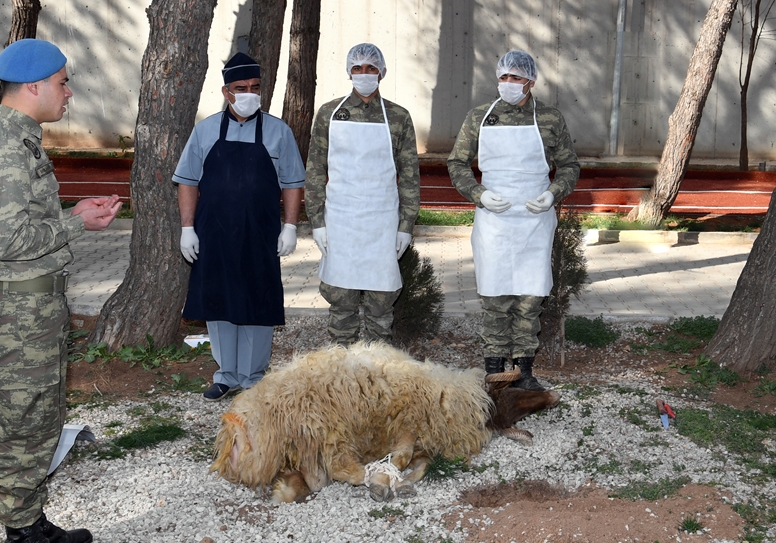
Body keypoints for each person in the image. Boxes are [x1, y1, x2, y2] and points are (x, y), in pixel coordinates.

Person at [0, 38, 122, 543]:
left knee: (42, 415)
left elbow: (28, 230)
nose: (68, 92)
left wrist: (79, 218)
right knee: (24, 421)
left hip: (36, 306)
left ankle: (30, 520)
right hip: (18, 312)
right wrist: (77, 220)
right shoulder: (2, 149)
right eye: (61, 82)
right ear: (32, 86)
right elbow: (9, 240)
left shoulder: (22, 142)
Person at [173, 52, 305, 400]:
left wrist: (289, 226)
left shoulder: (279, 131)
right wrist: (188, 228)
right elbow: (187, 181)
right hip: (214, 234)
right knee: (218, 303)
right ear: (226, 91)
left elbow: (292, 183)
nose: (249, 93)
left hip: (259, 234)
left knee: (257, 302)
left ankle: (253, 377)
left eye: (255, 87)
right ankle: (226, 375)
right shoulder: (204, 131)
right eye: (241, 87)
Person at [448, 50, 580, 390]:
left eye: (516, 78)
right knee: (495, 298)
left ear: (531, 82)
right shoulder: (480, 116)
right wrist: (479, 194)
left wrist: (553, 193)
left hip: (535, 222)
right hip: (494, 222)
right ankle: (494, 373)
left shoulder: (549, 119)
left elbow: (569, 166)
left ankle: (524, 373)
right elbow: (457, 163)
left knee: (529, 298)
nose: (507, 83)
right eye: (503, 77)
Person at [305, 43, 420, 344]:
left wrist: (405, 226)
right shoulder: (330, 113)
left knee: (382, 303)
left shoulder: (398, 117)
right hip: (341, 219)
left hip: (382, 221)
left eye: (371, 68)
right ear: (349, 72)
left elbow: (409, 177)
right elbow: (315, 170)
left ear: (382, 72)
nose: (364, 74)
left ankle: (378, 368)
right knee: (341, 302)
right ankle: (341, 368)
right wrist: (317, 221)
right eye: (358, 68)